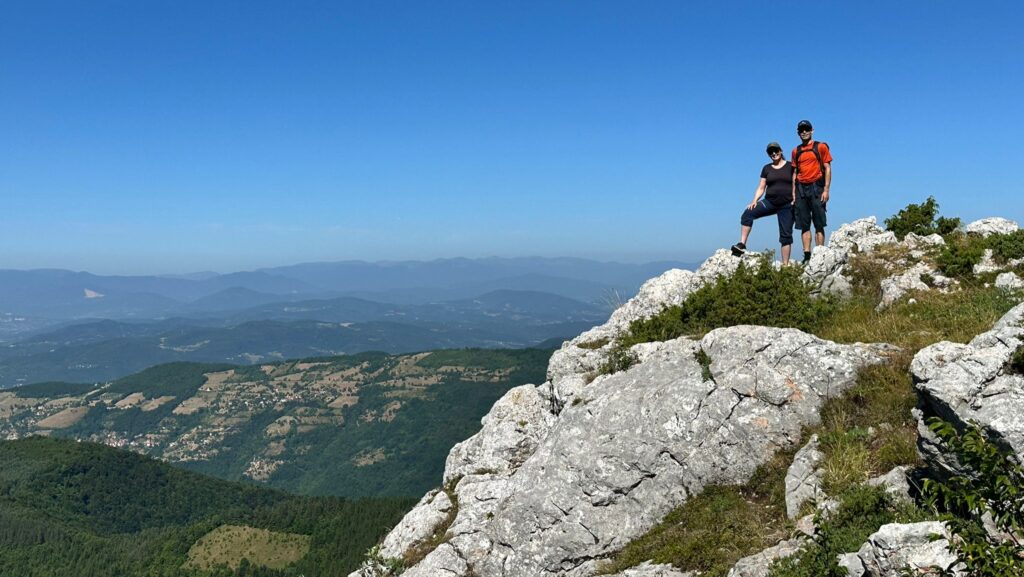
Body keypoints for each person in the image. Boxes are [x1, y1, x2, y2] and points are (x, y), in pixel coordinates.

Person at [731, 142, 795, 264]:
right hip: (770, 202)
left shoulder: (791, 166)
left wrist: (795, 198)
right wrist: (754, 201)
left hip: (786, 204)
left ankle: (785, 266)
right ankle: (742, 244)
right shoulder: (767, 168)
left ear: (781, 151)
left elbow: (796, 182)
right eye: (771, 152)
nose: (774, 153)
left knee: (786, 235)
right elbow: (761, 187)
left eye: (776, 151)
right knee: (748, 213)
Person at [791, 119, 832, 264]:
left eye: (806, 129)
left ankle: (820, 253)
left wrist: (826, 190)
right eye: (801, 130)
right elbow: (795, 172)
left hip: (817, 187)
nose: (804, 132)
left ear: (812, 130)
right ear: (798, 133)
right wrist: (794, 193)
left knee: (819, 222)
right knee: (804, 224)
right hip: (801, 189)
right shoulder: (795, 151)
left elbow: (827, 167)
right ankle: (807, 255)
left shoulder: (820, 147)